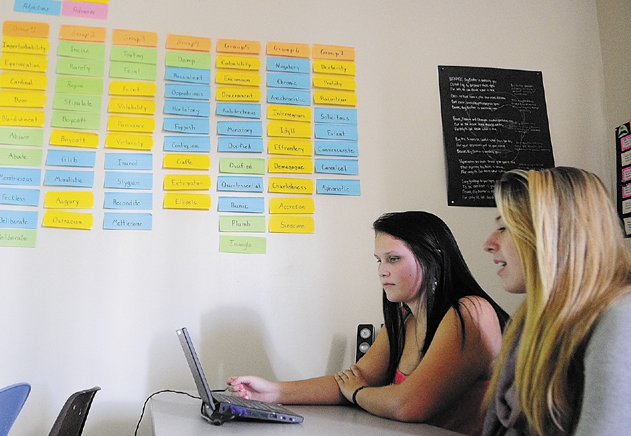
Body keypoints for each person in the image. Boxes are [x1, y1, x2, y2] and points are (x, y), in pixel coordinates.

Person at [228, 211, 509, 435]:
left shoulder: (470, 312)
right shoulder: (404, 318)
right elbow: (349, 381)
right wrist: (272, 392)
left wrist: (360, 392)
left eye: (394, 259)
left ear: (433, 257)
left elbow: (407, 405)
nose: (382, 271)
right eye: (379, 260)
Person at [482, 167, 631, 436]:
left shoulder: (621, 317)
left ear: (555, 234)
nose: (489, 244)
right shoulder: (527, 320)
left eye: (504, 227)